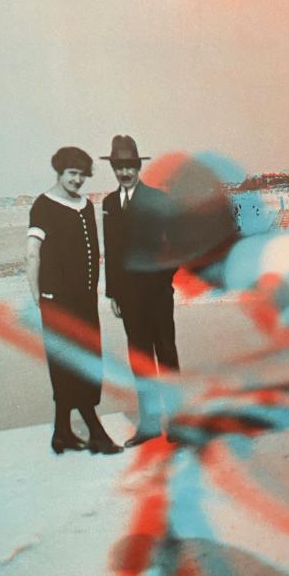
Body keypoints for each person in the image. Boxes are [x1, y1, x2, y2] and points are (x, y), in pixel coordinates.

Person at [27, 146, 121, 455]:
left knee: (86, 360)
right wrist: (38, 295)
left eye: (82, 174)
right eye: (72, 173)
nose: (77, 180)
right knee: (70, 364)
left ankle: (62, 433)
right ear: (60, 172)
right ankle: (96, 432)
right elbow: (32, 254)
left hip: (84, 301)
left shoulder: (85, 206)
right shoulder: (43, 205)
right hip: (57, 301)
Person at [101, 135, 179, 447]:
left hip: (158, 295)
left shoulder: (157, 200)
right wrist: (113, 293)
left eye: (129, 166)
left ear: (138, 166)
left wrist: (163, 279)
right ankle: (149, 424)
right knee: (140, 359)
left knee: (166, 356)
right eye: (118, 167)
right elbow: (111, 251)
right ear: (113, 169)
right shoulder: (109, 204)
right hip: (129, 299)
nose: (124, 172)